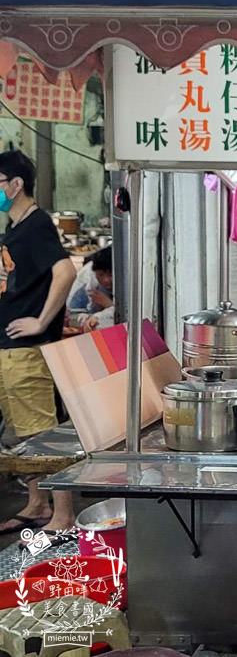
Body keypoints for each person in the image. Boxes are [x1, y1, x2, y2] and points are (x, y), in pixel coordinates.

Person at [0, 150, 77, 534]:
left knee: (42, 434)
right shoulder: (15, 229)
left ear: (15, 185)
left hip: (26, 351)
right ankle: (37, 504)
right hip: (10, 349)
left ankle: (63, 516)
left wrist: (41, 320)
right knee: (23, 433)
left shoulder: (37, 224)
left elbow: (65, 271)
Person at [67, 246, 114, 332]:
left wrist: (109, 305)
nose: (106, 280)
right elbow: (72, 315)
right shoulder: (89, 289)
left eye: (110, 275)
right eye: (100, 275)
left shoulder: (127, 290)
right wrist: (88, 320)